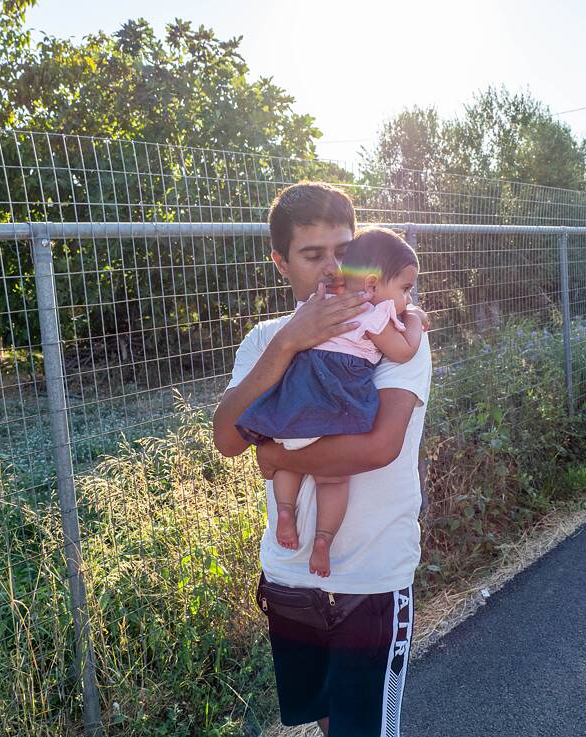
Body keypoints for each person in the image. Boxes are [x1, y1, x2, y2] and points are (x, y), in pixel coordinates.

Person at [213, 181, 432, 737]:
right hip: (291, 577)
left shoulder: (390, 332)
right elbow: (226, 437)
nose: (335, 268)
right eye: (313, 255)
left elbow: (379, 448)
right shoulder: (264, 340)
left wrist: (278, 451)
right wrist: (290, 341)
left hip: (373, 578)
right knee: (327, 724)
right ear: (281, 262)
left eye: (345, 251)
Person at [234, 226, 425, 578]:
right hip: (339, 403)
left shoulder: (316, 307)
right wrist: (413, 320)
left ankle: (285, 512)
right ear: (370, 285)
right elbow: (403, 350)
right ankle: (323, 539)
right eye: (405, 290)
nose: (407, 300)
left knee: (287, 460)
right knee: (334, 479)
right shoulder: (379, 314)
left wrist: (273, 454)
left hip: (299, 399)